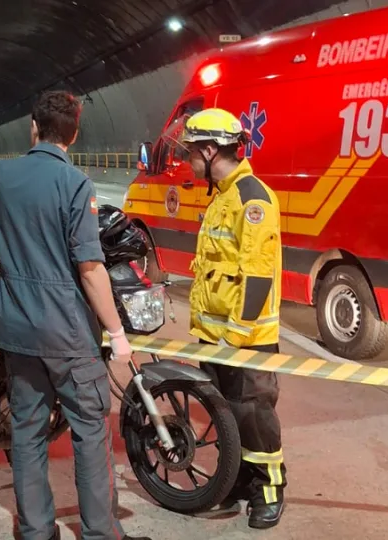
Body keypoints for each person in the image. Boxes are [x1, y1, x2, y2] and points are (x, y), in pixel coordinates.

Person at [0, 90, 150, 540]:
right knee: (90, 435)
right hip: (68, 334)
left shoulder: (0, 174)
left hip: (17, 331)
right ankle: (99, 533)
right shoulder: (75, 185)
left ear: (33, 128)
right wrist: (116, 332)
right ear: (73, 135)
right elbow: (91, 269)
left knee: (28, 434)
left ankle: (36, 531)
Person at [176, 107, 287, 529]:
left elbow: (257, 275)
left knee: (255, 419)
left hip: (245, 341)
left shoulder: (251, 198)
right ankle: (236, 485)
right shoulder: (223, 194)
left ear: (210, 149)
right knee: (228, 419)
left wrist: (236, 337)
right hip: (217, 337)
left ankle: (269, 490)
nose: (187, 160)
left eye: (190, 152)